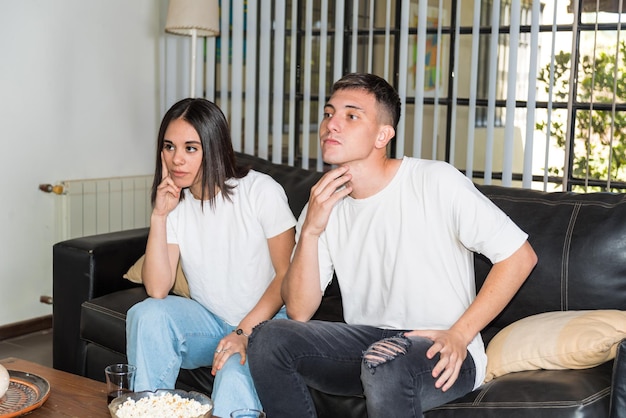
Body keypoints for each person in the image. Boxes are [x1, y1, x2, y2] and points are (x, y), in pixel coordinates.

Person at [247, 73, 538, 418]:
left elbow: (520, 256)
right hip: (367, 343)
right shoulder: (322, 203)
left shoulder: (435, 181)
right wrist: (310, 230)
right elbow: (299, 311)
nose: (331, 125)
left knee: (384, 362)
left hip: (440, 346)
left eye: (351, 116)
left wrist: (460, 334)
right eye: (328, 113)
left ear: (383, 135)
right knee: (268, 339)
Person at [126, 98, 296, 417]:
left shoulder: (261, 191)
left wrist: (244, 331)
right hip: (211, 320)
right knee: (147, 314)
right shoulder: (177, 203)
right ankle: (149, 410)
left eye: (191, 148)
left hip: (267, 323)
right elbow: (158, 289)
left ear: (214, 147)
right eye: (169, 146)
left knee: (234, 371)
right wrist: (160, 216)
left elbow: (287, 275)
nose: (177, 159)